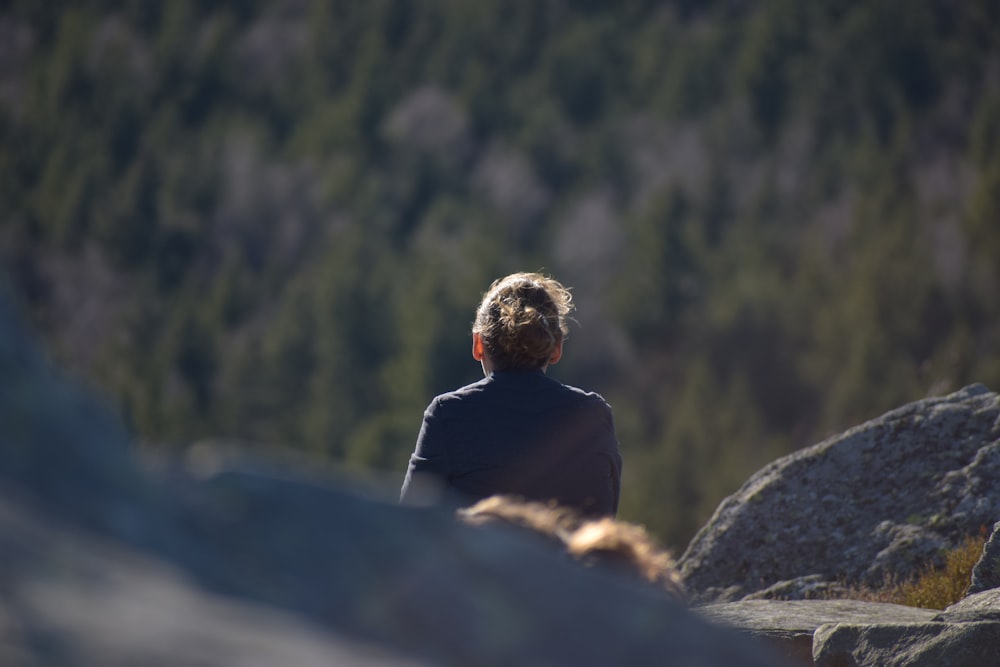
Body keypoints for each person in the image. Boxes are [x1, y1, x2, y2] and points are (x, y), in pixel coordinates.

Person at [399, 272, 622, 517]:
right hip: (568, 556)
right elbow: (604, 525)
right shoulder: (593, 417)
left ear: (478, 345)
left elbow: (411, 521)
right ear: (556, 348)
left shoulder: (449, 415)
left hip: (479, 556)